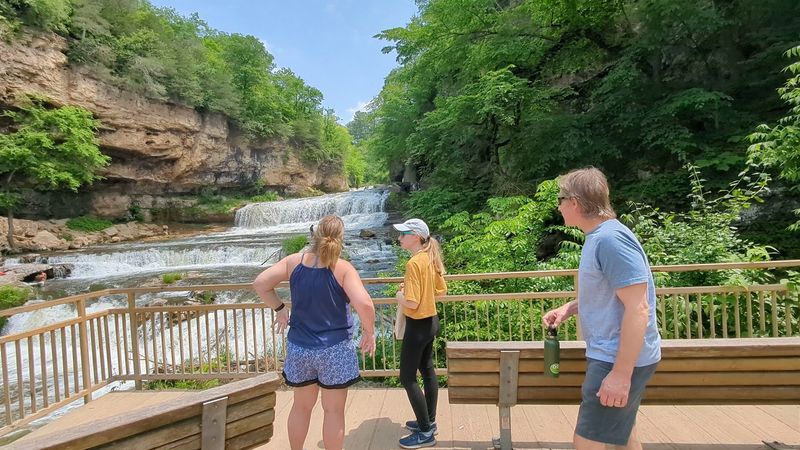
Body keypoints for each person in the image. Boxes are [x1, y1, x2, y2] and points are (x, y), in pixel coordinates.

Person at [542, 167, 661, 450]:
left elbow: (638, 307)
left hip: (615, 357)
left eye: (560, 199)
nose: (558, 207)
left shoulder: (610, 239)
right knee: (622, 435)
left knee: (588, 440)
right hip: (617, 354)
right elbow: (612, 294)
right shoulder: (600, 236)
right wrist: (571, 308)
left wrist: (620, 374)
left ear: (575, 203)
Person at [253, 215, 376, 450]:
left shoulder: (293, 262)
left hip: (300, 347)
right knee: (333, 411)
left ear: (314, 235)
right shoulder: (342, 268)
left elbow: (260, 283)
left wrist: (280, 308)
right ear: (341, 238)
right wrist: (369, 332)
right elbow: (365, 305)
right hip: (335, 349)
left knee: (301, 408)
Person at [392, 218, 447, 449]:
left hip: (417, 326)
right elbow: (441, 291)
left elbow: (412, 304)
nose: (399, 238)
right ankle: (429, 422)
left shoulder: (414, 263)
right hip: (431, 323)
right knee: (428, 371)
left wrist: (399, 296)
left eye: (403, 234)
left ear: (415, 236)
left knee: (407, 378)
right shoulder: (429, 258)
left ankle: (425, 432)